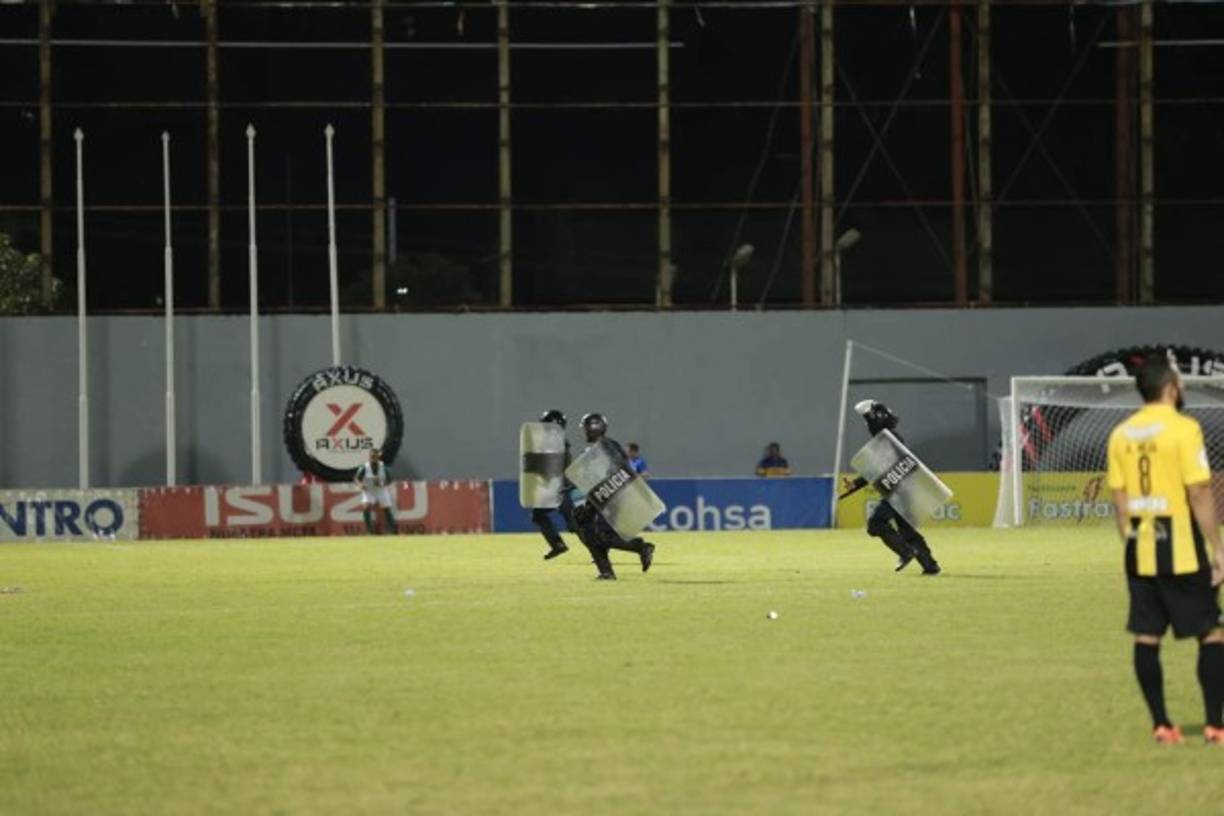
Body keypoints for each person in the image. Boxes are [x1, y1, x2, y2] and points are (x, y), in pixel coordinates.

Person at [1106, 354, 1224, 745]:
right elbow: (1199, 490)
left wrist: (1133, 537)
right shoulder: (1184, 429)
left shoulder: (1121, 434)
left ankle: (1162, 724)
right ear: (1171, 388)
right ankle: (1215, 726)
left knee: (1147, 635)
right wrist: (1218, 549)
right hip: (1182, 544)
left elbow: (1120, 500)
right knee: (1210, 633)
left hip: (1139, 543)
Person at [842, 400, 941, 575]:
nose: (867, 425)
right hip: (901, 490)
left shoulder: (891, 438)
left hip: (899, 492)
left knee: (876, 524)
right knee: (907, 531)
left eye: (869, 420)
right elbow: (874, 470)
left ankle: (905, 552)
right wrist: (855, 484)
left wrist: (867, 412)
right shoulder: (888, 440)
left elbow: (875, 465)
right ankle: (930, 566)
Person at [573, 413, 656, 580]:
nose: (584, 432)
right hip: (609, 495)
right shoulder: (612, 445)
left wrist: (589, 507)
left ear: (594, 427)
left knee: (602, 535)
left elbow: (602, 478)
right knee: (590, 534)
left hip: (610, 497)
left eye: (586, 428)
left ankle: (641, 547)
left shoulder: (602, 448)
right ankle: (606, 572)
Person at [530, 409, 575, 561]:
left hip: (561, 487)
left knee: (575, 525)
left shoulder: (557, 442)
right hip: (555, 487)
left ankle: (601, 552)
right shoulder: (554, 441)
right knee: (538, 515)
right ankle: (557, 545)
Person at [354, 448, 396, 535]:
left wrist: (382, 483)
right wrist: (360, 485)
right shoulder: (364, 468)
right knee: (366, 507)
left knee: (386, 508)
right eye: (371, 456)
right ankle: (369, 530)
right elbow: (356, 478)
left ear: (378, 457)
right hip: (369, 490)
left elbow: (390, 479)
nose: (373, 458)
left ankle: (393, 530)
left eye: (375, 456)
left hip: (381, 490)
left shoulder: (383, 467)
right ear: (369, 457)